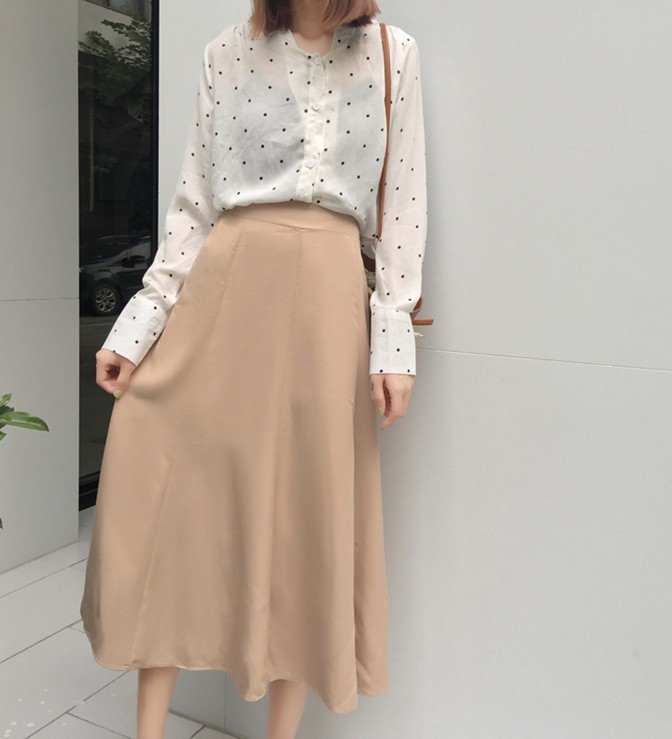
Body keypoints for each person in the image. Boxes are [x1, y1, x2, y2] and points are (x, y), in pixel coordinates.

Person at [79, 0, 427, 736]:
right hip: (226, 286)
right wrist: (137, 327)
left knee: (306, 515)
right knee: (175, 502)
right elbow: (192, 208)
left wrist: (393, 338)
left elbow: (403, 206)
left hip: (330, 300)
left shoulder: (393, 53)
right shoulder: (225, 52)